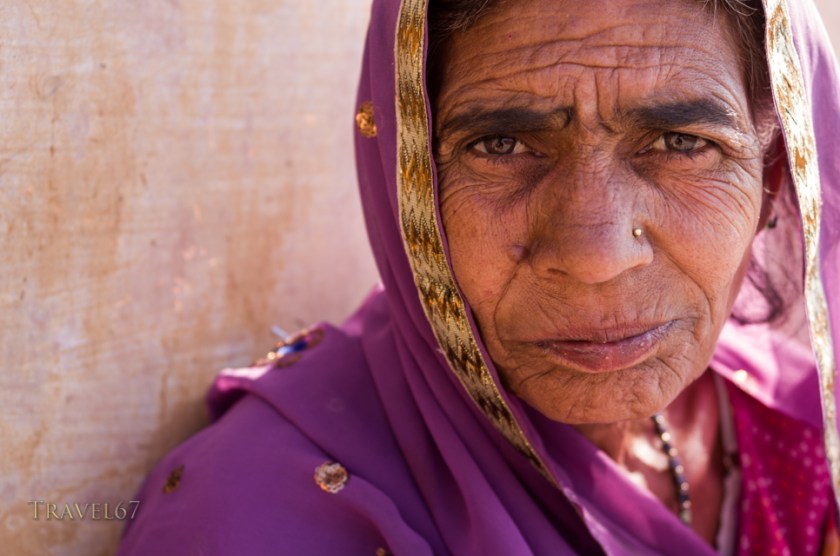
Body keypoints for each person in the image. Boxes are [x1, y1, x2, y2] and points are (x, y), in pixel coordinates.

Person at [118, 0, 840, 553]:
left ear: (774, 180)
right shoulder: (266, 511)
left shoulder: (797, 432)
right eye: (502, 144)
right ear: (407, 180)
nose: (596, 254)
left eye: (683, 142)